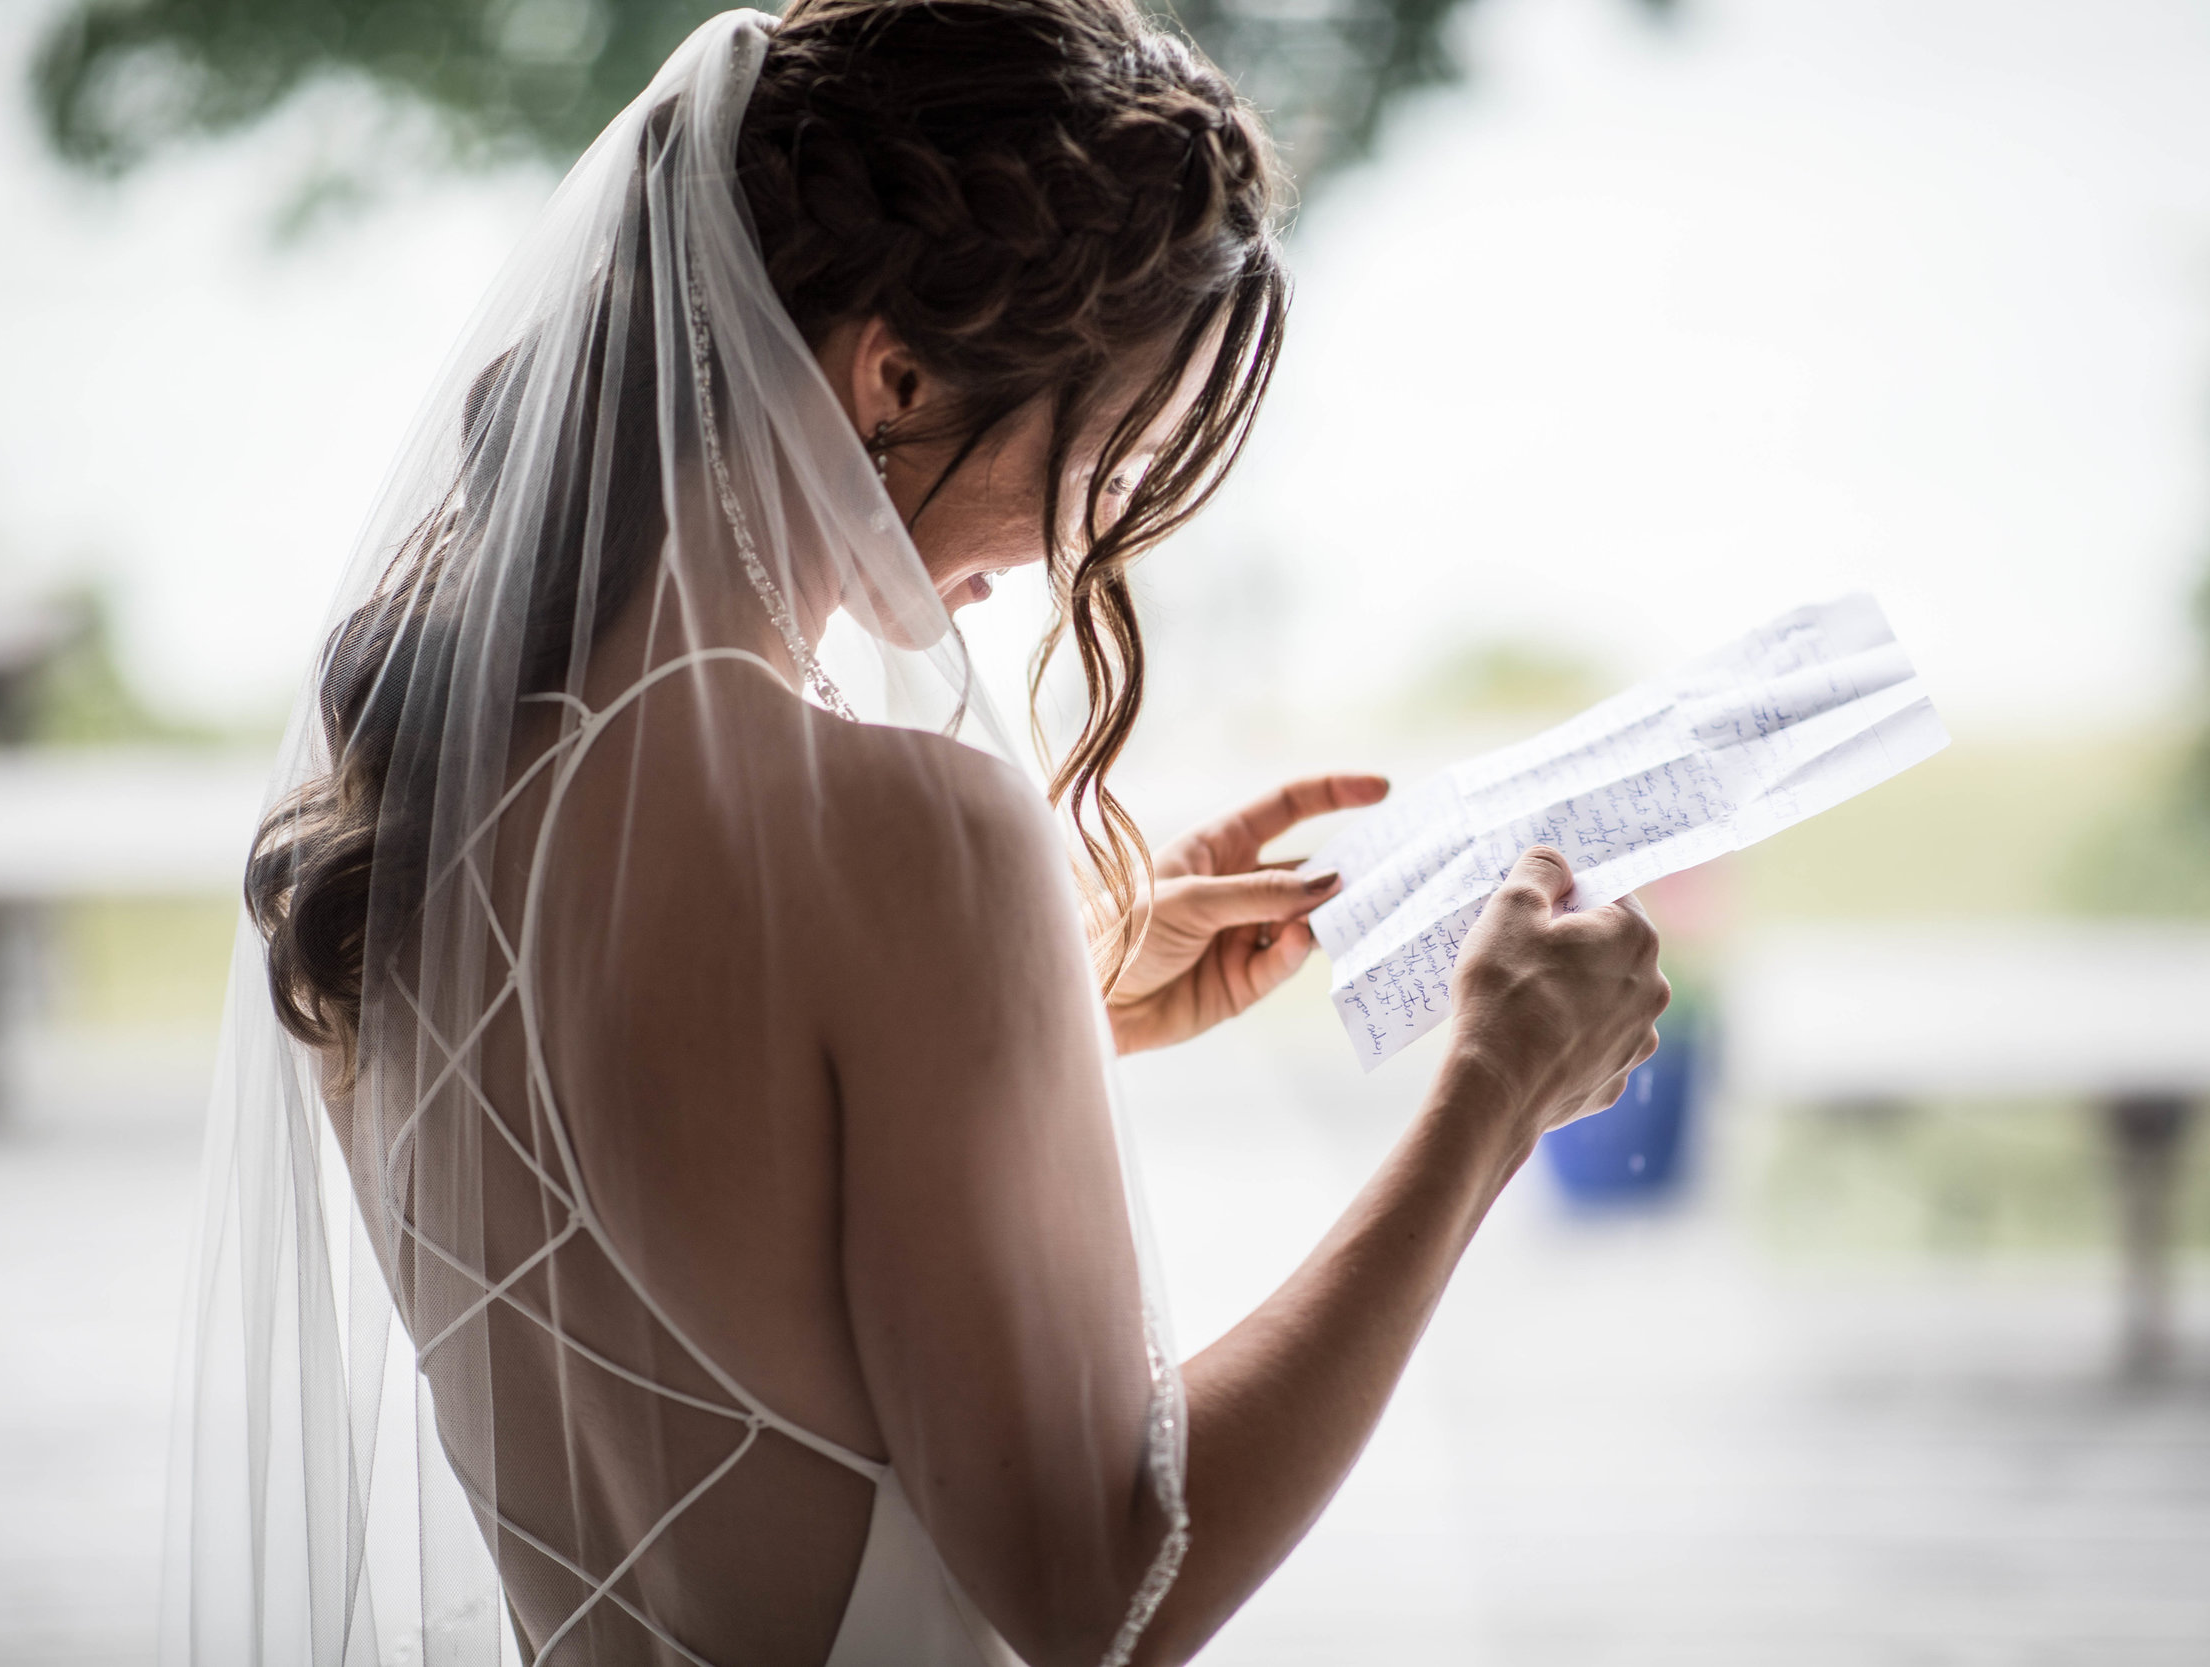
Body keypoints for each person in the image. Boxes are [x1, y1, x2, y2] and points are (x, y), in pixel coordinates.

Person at [180, 2, 1669, 1663]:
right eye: (1096, 454)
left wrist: (1070, 991)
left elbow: (680, 1179)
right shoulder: (907, 832)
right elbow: (1099, 1586)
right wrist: (1491, 1099)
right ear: (891, 376)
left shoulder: (406, 812)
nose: (1066, 549)